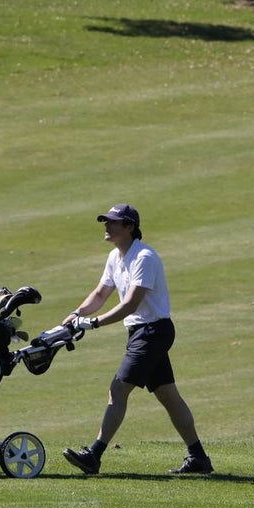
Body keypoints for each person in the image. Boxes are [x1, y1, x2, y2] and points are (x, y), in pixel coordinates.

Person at [61, 204, 213, 476]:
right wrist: (77, 314)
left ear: (129, 227)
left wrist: (94, 323)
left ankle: (94, 456)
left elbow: (131, 304)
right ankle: (199, 457)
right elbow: (100, 294)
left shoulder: (144, 257)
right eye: (105, 222)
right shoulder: (114, 257)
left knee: (118, 389)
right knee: (168, 395)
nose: (106, 226)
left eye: (113, 222)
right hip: (141, 332)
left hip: (153, 331)